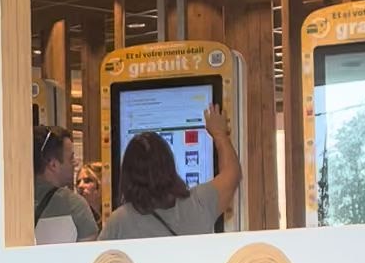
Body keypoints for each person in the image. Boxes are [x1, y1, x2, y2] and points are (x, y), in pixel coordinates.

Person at [99, 104, 242, 240]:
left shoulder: (118, 223)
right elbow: (232, 173)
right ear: (170, 165)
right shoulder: (199, 202)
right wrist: (219, 134)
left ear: (127, 175)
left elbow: (97, 256)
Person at [34, 129, 99, 243]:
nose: (75, 163)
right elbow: (89, 251)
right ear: (53, 164)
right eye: (71, 158)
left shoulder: (11, 203)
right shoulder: (75, 206)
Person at [75, 163, 103, 229]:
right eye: (78, 182)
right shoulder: (83, 218)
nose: (80, 186)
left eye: (87, 181)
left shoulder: (115, 214)